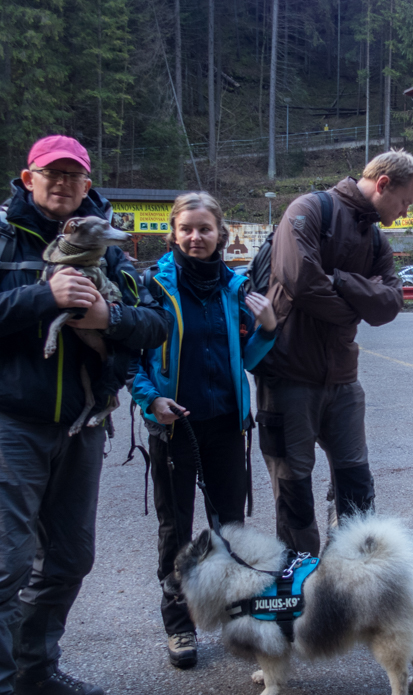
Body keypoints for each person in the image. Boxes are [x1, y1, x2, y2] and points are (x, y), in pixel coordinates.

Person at [0, 135, 168, 695]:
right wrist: (45, 297)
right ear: (29, 177)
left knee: (69, 559)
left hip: (82, 423)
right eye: (51, 174)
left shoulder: (108, 244)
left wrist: (105, 320)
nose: (63, 184)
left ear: (87, 180)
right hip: (8, 420)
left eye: (73, 174)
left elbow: (157, 323)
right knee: (4, 567)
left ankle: (34, 673)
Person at [131, 192, 277, 669]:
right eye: (187, 228)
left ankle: (237, 619)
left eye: (205, 229)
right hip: (174, 429)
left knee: (228, 529)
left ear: (221, 235)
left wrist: (267, 330)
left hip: (225, 427)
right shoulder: (153, 287)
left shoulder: (235, 289)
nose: (195, 237)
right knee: (176, 529)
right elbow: (131, 359)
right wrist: (151, 401)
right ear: (173, 232)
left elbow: (248, 361)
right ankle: (179, 624)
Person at [254, 150, 413, 556]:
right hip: (288, 373)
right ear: (383, 183)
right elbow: (300, 280)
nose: (404, 212)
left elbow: (390, 304)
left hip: (344, 380)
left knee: (356, 485)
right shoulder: (310, 210)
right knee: (293, 490)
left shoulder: (376, 237)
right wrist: (354, 308)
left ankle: (353, 580)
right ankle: (304, 582)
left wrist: (342, 281)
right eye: (404, 202)